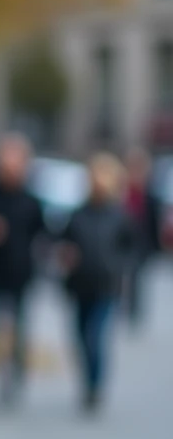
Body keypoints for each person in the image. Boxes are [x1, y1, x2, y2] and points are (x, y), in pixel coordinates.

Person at [0, 134, 46, 406]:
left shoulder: (31, 200)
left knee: (22, 329)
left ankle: (16, 376)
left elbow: (42, 234)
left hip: (22, 274)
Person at [59, 152, 135, 414]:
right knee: (80, 338)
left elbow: (131, 248)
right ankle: (87, 380)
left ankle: (95, 386)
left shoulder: (119, 215)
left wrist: (118, 267)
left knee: (95, 337)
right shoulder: (78, 213)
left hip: (106, 286)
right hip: (80, 285)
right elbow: (65, 242)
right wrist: (67, 256)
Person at [121, 146, 161, 327]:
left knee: (137, 278)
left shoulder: (149, 194)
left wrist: (155, 246)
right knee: (123, 275)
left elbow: (153, 222)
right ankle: (125, 306)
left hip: (141, 243)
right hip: (123, 242)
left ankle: (134, 310)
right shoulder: (122, 191)